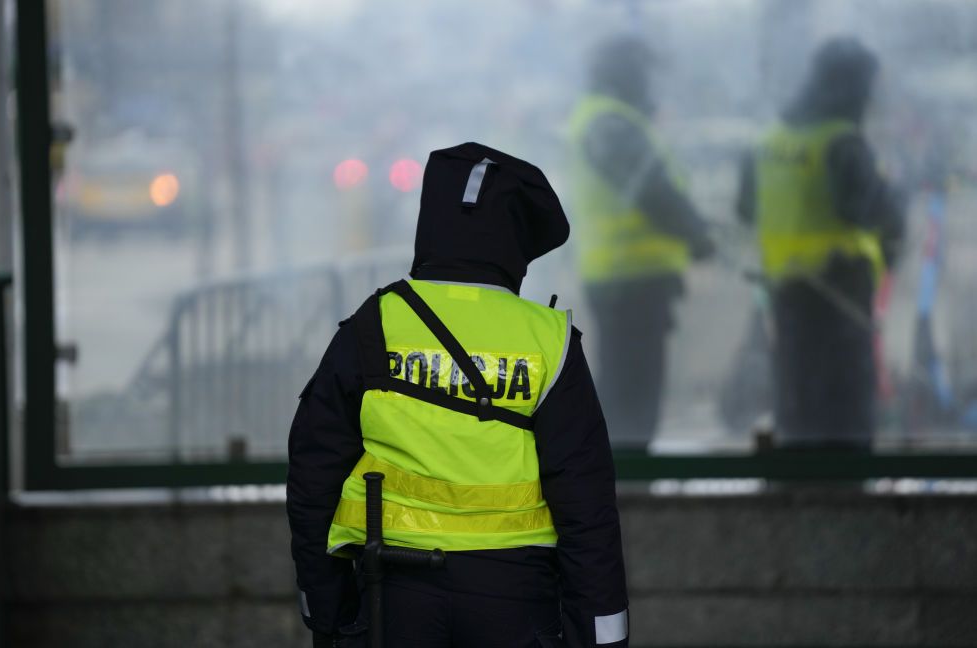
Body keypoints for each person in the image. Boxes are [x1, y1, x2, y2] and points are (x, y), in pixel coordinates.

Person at [287, 142, 629, 647]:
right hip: (515, 596)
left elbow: (314, 471)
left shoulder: (374, 324)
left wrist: (328, 608)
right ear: (517, 242)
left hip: (392, 594)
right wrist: (601, 634)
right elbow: (586, 502)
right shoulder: (549, 340)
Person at [736, 37, 906, 449]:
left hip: (786, 293)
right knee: (845, 409)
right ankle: (845, 485)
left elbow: (745, 209)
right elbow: (877, 213)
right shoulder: (842, 144)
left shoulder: (769, 141)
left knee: (796, 399)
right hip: (840, 292)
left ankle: (798, 482)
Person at [569, 35, 715, 449]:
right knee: (631, 402)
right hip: (629, 278)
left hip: (623, 277)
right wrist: (696, 233)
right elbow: (651, 190)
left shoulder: (606, 118)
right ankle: (625, 480)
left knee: (626, 393)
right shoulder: (611, 123)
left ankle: (620, 476)